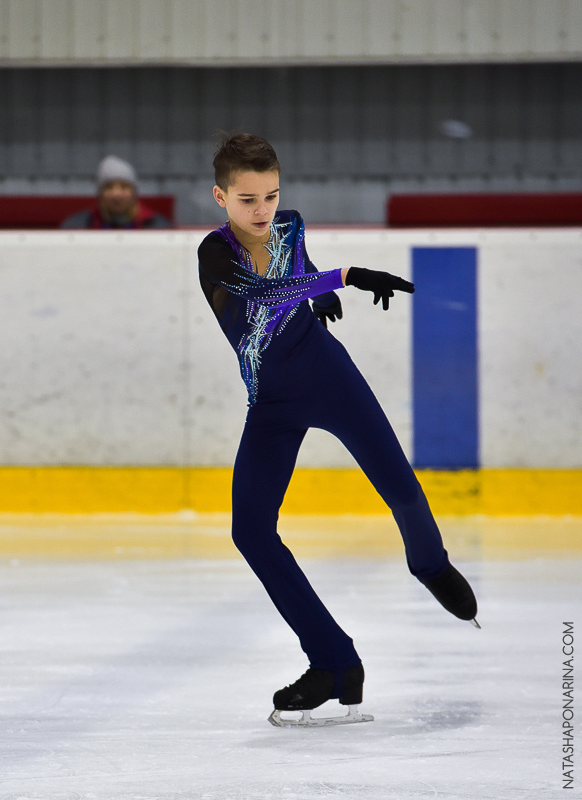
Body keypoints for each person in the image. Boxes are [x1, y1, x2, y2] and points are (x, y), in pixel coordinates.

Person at [197, 133, 479, 727]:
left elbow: (294, 267)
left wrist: (318, 290)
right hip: (271, 401)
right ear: (220, 196)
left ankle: (429, 563)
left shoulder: (290, 225)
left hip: (329, 376)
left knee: (400, 485)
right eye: (247, 199)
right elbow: (259, 294)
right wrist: (341, 277)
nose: (262, 210)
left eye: (271, 195)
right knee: (250, 531)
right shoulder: (212, 253)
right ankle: (333, 661)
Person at [61, 155, 172, 229]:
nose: (116, 195)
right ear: (99, 194)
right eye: (109, 187)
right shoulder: (77, 227)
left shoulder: (159, 227)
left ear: (134, 193)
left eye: (124, 187)